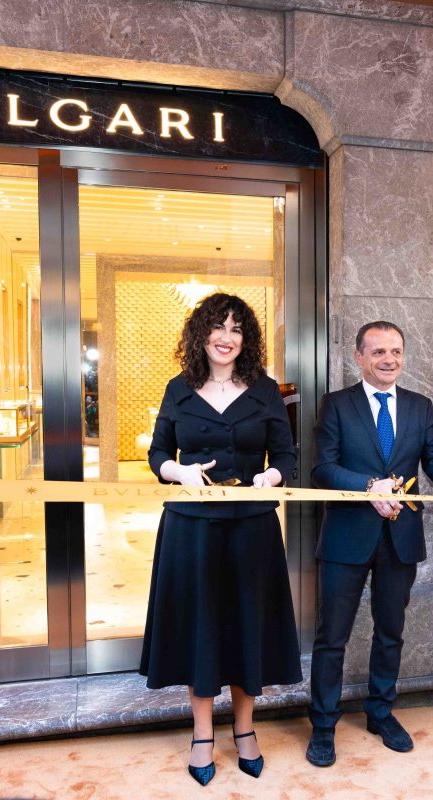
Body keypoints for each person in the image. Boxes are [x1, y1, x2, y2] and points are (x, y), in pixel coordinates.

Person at [139, 293, 301, 786]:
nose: (227, 337)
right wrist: (178, 472)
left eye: (236, 329)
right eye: (218, 327)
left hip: (252, 527)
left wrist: (271, 477)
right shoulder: (179, 388)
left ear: (245, 340)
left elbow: (287, 456)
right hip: (191, 527)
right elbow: (157, 453)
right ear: (201, 335)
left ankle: (245, 728)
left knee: (247, 625)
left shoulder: (265, 390)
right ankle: (203, 733)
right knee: (201, 628)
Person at [306, 321, 433, 767]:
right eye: (379, 352)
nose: (389, 360)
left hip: (399, 538)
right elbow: (322, 469)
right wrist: (369, 486)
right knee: (332, 637)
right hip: (347, 537)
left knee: (391, 633)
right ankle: (323, 725)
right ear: (359, 357)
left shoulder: (419, 406)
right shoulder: (336, 405)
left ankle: (380, 712)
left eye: (396, 351)